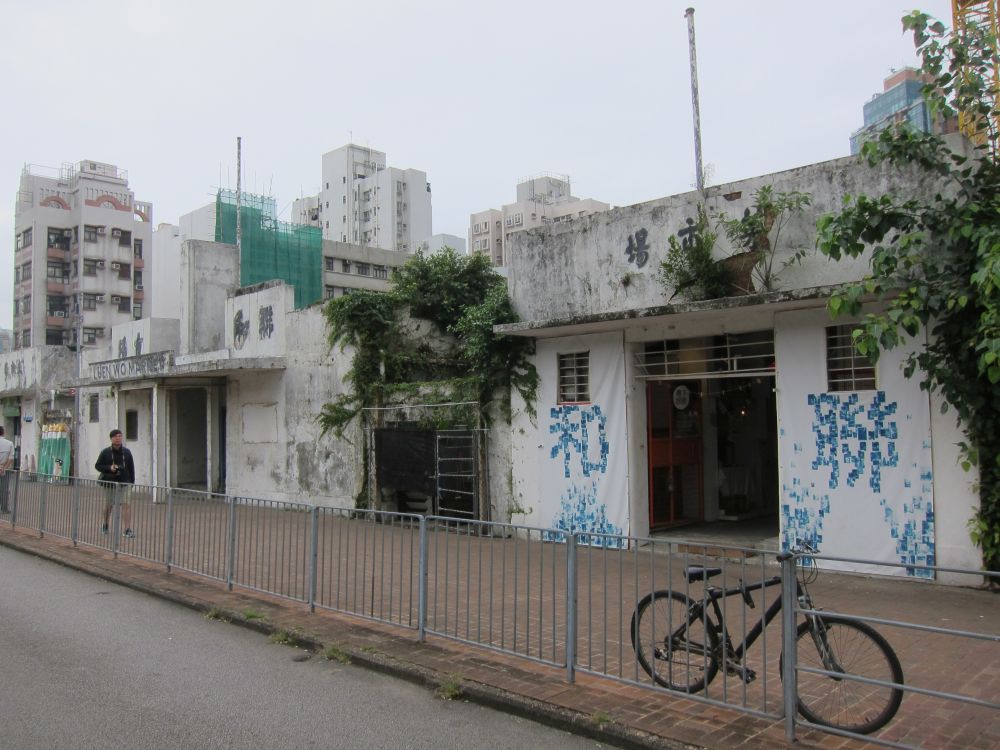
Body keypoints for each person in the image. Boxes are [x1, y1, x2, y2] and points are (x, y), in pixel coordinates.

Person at [95, 429, 136, 538]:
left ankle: (127, 529)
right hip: (110, 481)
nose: (118, 438)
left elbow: (131, 467)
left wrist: (132, 482)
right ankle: (105, 524)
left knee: (126, 504)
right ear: (111, 438)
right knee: (109, 504)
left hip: (124, 481)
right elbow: (98, 466)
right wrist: (109, 467)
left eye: (120, 436)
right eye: (116, 436)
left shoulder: (126, 452)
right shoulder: (105, 452)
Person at [0, 427, 14, 514]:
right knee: (4, 489)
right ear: (3, 433)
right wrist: (3, 468)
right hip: (3, 469)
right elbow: (11, 458)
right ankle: (4, 508)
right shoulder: (9, 443)